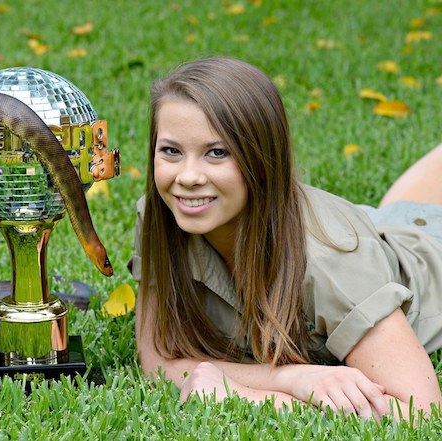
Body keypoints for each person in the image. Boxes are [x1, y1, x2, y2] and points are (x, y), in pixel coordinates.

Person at [130, 56, 442, 421]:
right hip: (379, 225)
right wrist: (291, 377)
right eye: (171, 151)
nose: (188, 176)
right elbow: (157, 361)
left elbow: (421, 411)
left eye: (217, 152)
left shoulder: (332, 260)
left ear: (262, 158)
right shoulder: (160, 214)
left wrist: (244, 394)